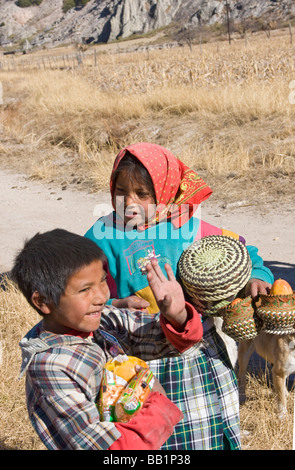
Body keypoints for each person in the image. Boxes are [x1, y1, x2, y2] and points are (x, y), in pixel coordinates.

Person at [14, 229, 189, 450]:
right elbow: (102, 446)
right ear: (43, 302)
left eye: (103, 281)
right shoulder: (50, 367)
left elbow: (162, 337)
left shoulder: (102, 320)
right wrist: (157, 403)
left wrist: (177, 315)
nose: (101, 296)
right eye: (85, 289)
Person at [85, 142, 273, 314]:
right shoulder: (102, 235)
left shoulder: (183, 224)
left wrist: (256, 278)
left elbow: (241, 253)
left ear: (164, 191)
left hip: (193, 334)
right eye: (121, 190)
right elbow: (77, 289)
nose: (128, 202)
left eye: (142, 194)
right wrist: (114, 305)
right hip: (134, 339)